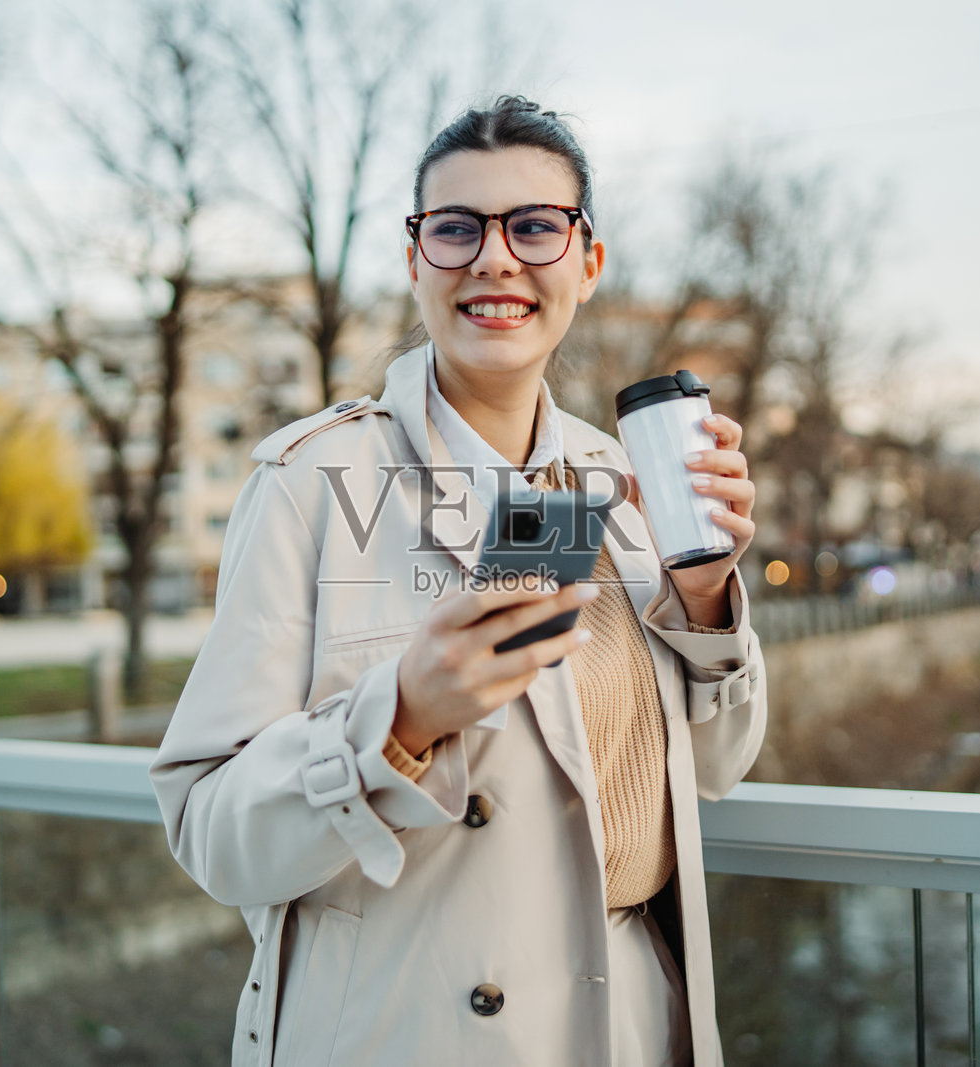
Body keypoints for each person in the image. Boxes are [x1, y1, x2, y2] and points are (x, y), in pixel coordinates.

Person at [151, 96, 767, 1067]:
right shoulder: (311, 480)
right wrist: (396, 719)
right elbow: (213, 835)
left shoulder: (620, 479)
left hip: (628, 1025)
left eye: (533, 225)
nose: (494, 257)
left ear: (586, 262)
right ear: (414, 261)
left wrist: (701, 599)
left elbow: (716, 769)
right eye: (455, 228)